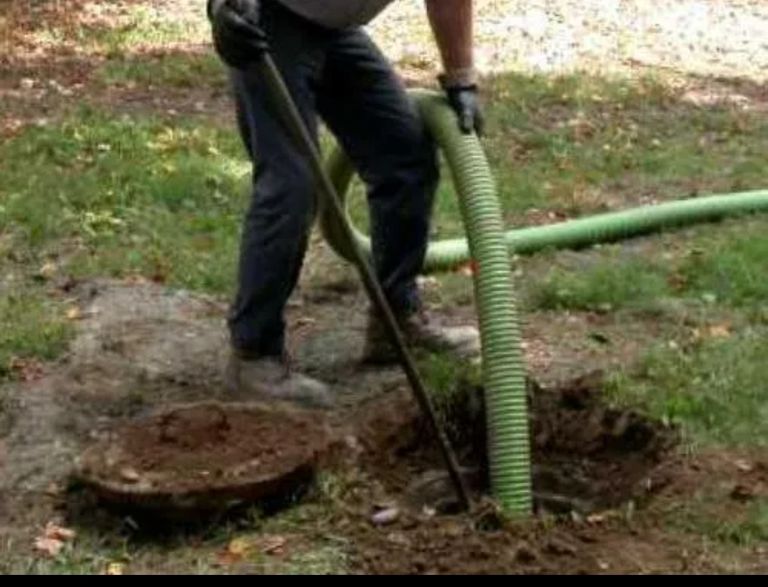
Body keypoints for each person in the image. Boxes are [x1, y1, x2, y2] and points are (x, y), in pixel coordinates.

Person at [207, 0, 483, 407]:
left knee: (404, 152)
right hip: (269, 22)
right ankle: (253, 356)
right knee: (293, 183)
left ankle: (395, 321)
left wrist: (461, 79)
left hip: (334, 30)